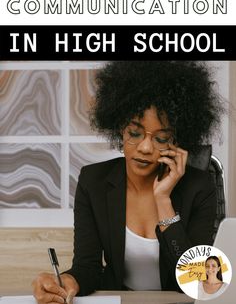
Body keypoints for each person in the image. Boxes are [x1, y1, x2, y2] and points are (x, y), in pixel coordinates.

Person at [33, 61, 224, 304]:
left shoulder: (199, 187)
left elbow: (195, 282)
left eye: (161, 138)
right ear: (119, 129)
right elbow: (87, 267)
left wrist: (163, 200)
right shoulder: (94, 182)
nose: (145, 148)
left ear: (176, 141)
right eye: (135, 133)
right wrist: (67, 282)